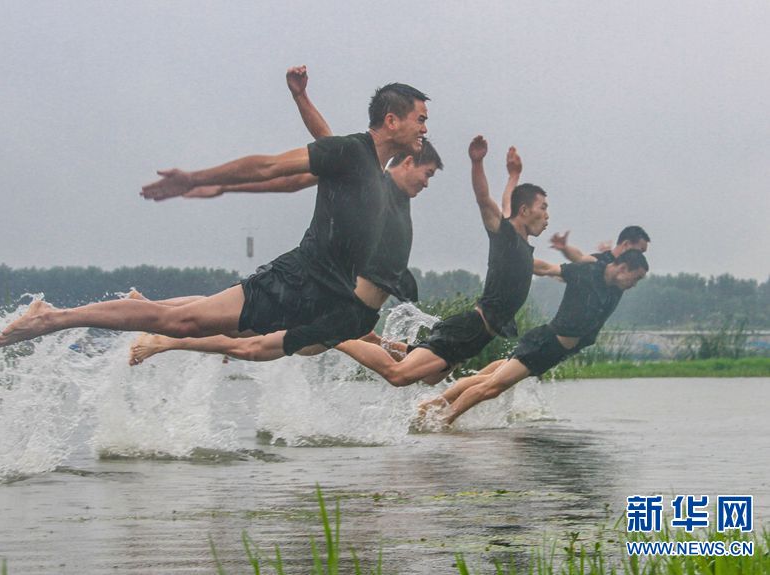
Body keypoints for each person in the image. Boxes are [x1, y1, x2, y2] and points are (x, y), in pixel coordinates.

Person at [0, 73, 431, 359]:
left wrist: (301, 97)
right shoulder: (353, 153)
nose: (425, 129)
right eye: (420, 119)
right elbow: (269, 166)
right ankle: (53, 318)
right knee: (184, 323)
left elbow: (323, 136)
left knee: (217, 329)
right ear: (392, 121)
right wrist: (194, 179)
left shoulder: (366, 164)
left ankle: (129, 312)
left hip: (322, 294)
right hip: (299, 279)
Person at [127, 67, 442, 365]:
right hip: (328, 301)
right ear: (404, 163)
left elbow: (327, 141)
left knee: (240, 328)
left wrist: (301, 97)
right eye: (425, 172)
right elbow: (311, 156)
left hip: (343, 309)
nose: (427, 182)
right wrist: (223, 186)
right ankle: (159, 334)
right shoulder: (371, 181)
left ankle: (149, 314)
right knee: (246, 337)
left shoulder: (379, 188)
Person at [328, 135, 548, 387]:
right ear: (525, 211)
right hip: (471, 329)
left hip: (476, 337)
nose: (547, 215)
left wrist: (513, 176)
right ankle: (335, 336)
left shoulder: (518, 241)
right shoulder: (506, 238)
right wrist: (477, 163)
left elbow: (508, 203)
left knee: (432, 377)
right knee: (399, 375)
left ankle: (375, 342)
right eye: (543, 207)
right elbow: (484, 199)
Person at [418, 249, 650, 426]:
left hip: (552, 352)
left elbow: (601, 253)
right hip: (543, 345)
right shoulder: (587, 273)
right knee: (493, 387)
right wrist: (514, 262)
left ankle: (427, 408)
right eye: (636, 278)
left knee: (485, 379)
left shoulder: (613, 287)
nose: (634, 285)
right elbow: (547, 268)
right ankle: (441, 422)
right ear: (623, 268)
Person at [549, 225, 650, 264]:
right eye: (640, 251)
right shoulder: (602, 262)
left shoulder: (625, 271)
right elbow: (580, 258)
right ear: (626, 244)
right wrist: (565, 248)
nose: (641, 257)